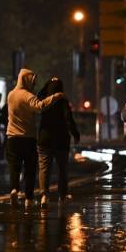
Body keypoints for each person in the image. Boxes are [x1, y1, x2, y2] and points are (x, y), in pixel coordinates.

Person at [6, 68, 64, 208]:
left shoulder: (11, 95)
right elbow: (40, 106)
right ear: (26, 80)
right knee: (30, 169)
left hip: (11, 138)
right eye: (32, 81)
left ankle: (14, 189)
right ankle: (29, 199)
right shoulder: (27, 96)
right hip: (27, 138)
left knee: (15, 167)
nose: (33, 84)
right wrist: (56, 96)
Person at [37, 77, 80, 207]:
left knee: (44, 168)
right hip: (61, 139)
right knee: (62, 169)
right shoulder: (62, 100)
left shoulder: (43, 101)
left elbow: (37, 103)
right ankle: (62, 195)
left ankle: (44, 195)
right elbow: (68, 119)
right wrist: (75, 133)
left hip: (45, 138)